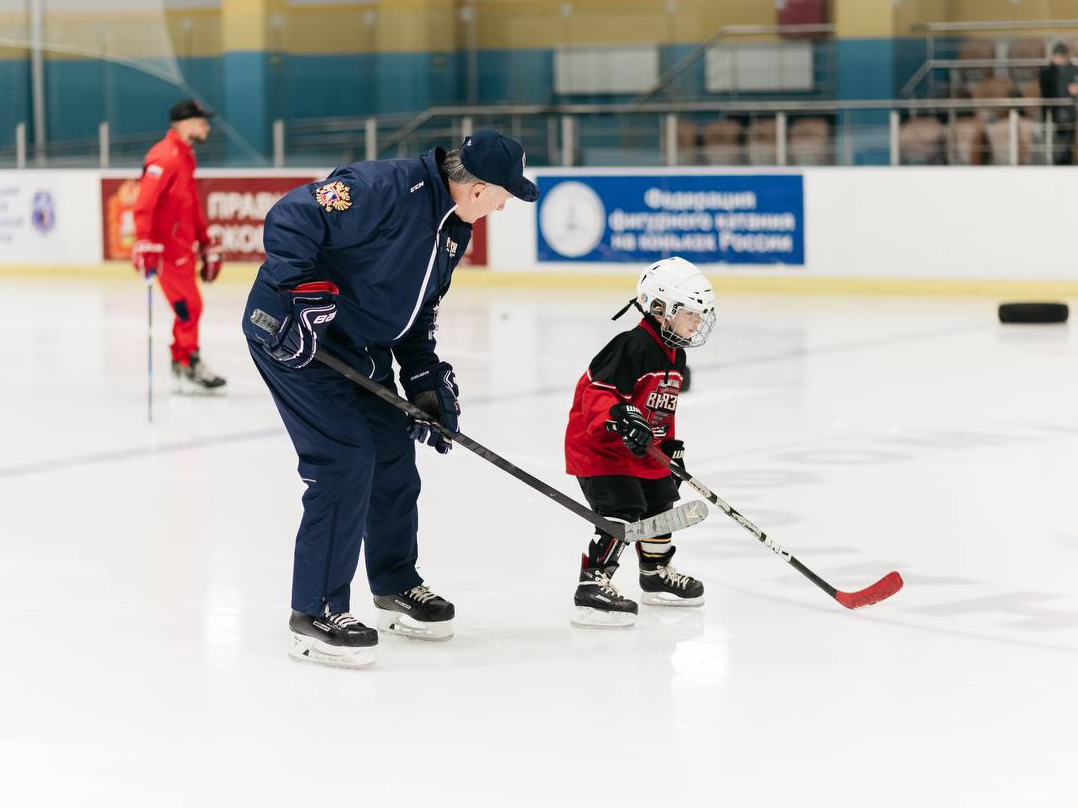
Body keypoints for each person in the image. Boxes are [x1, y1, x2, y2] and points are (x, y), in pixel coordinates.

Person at [242, 129, 538, 668]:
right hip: (292, 335)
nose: (503, 205)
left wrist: (423, 377)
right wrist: (297, 295)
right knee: (344, 459)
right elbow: (291, 216)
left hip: (357, 346)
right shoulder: (384, 187)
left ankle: (395, 585)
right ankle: (317, 612)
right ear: (479, 189)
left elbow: (418, 309)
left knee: (393, 456)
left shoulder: (453, 229)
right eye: (504, 195)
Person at [564, 257, 715, 628]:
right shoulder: (631, 345)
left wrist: (667, 447)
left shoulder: (674, 354)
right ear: (661, 309)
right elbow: (598, 396)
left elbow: (660, 408)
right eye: (691, 313)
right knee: (624, 508)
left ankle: (655, 573)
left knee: (662, 503)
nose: (697, 322)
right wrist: (621, 416)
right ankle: (592, 583)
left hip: (642, 450)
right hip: (601, 449)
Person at [132, 98, 226, 393]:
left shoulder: (185, 155)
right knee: (190, 307)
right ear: (186, 124)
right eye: (202, 121)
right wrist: (144, 241)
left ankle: (181, 358)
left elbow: (190, 203)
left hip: (183, 248)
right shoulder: (165, 157)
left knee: (190, 307)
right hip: (166, 251)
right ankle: (188, 361)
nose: (206, 127)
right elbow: (144, 204)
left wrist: (205, 240)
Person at [1039, 41, 1078, 165]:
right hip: (1053, 111)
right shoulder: (1046, 72)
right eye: (1058, 57)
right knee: (1058, 144)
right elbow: (1047, 94)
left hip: (1070, 111)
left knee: (1066, 144)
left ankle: (1065, 163)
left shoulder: (1073, 69)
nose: (1061, 60)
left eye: (1063, 57)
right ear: (1053, 57)